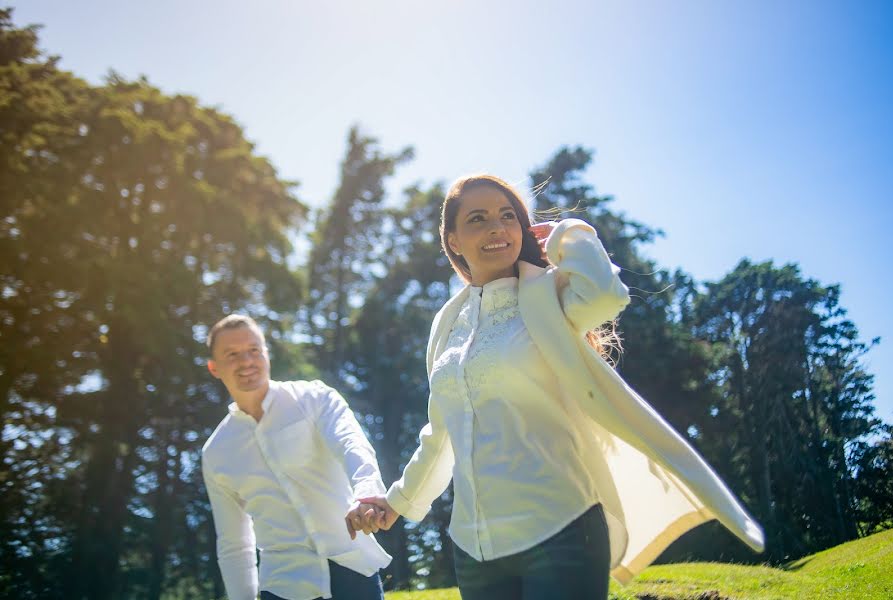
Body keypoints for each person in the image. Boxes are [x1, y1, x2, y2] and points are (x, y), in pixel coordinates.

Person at [346, 174, 764, 599]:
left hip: (562, 529)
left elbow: (606, 295)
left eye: (508, 216)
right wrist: (396, 503)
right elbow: (441, 436)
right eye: (478, 219)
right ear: (452, 240)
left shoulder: (549, 292)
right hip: (476, 550)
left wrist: (570, 235)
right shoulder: (446, 324)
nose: (497, 227)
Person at [201, 314, 390, 600]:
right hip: (283, 586)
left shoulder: (314, 398)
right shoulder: (216, 452)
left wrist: (367, 493)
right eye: (232, 354)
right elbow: (234, 543)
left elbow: (352, 445)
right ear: (214, 368)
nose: (247, 361)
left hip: (352, 569)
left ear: (266, 353)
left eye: (254, 350)